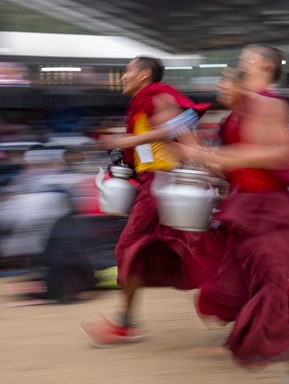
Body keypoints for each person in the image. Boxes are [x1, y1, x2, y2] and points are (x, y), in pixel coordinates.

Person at [174, 45, 289, 383]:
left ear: (263, 64)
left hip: (268, 212)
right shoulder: (237, 114)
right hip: (242, 210)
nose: (237, 65)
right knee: (235, 289)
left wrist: (208, 156)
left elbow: (275, 157)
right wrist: (201, 158)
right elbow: (233, 168)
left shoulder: (271, 105)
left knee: (268, 293)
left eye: (246, 57)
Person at [79, 56, 210, 347]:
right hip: (162, 186)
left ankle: (125, 325)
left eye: (127, 70)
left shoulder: (157, 94)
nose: (123, 76)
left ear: (144, 74)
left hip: (163, 186)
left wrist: (129, 142)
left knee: (131, 249)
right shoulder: (146, 100)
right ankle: (125, 323)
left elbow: (182, 124)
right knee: (184, 251)